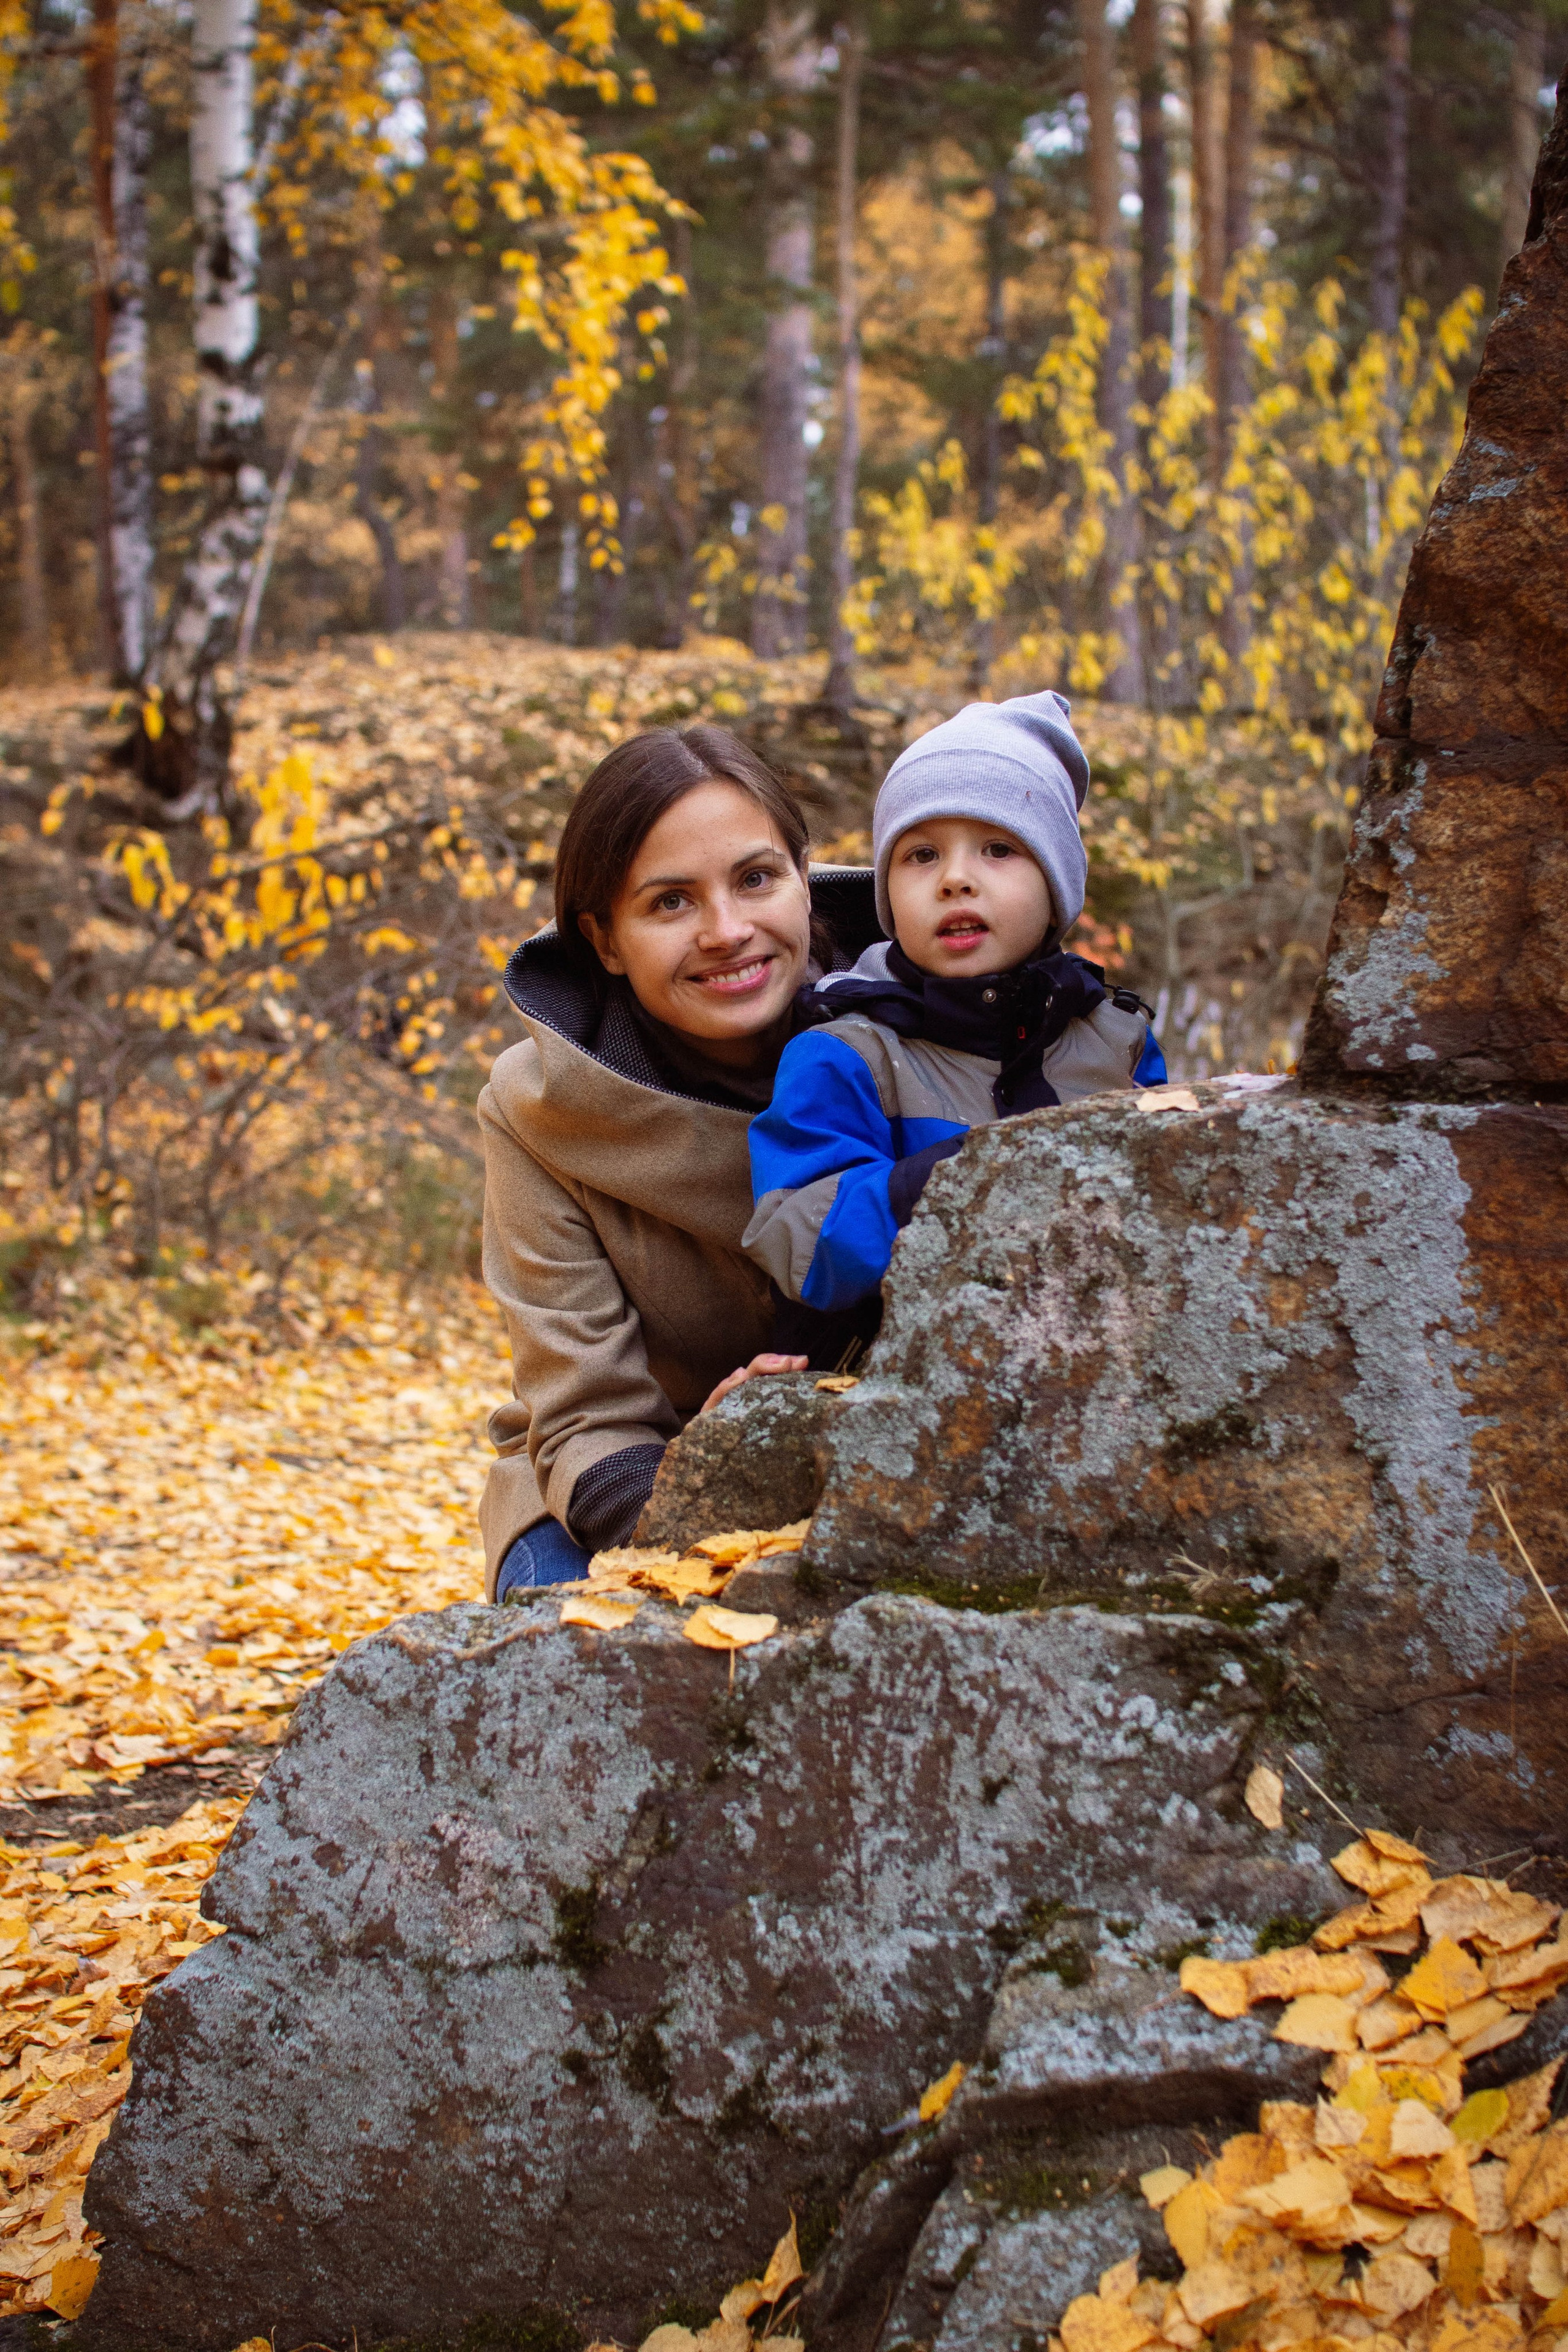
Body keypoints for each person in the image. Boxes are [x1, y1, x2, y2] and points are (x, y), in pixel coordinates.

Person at [477, 725, 879, 1599]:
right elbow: (586, 1413)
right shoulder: (540, 1109)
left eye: (756, 879)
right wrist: (704, 1490)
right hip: (621, 1480)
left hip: (887, 1466)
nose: (727, 932)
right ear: (606, 940)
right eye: (670, 903)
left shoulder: (928, 1032)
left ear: (805, 882)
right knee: (576, 1676)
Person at [742, 692, 1164, 1352]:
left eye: (998, 849)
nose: (955, 880)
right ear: (887, 891)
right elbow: (800, 1245)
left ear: (1057, 888)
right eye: (921, 856)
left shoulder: (1116, 1040)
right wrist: (965, 1175)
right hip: (900, 1386)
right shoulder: (847, 1051)